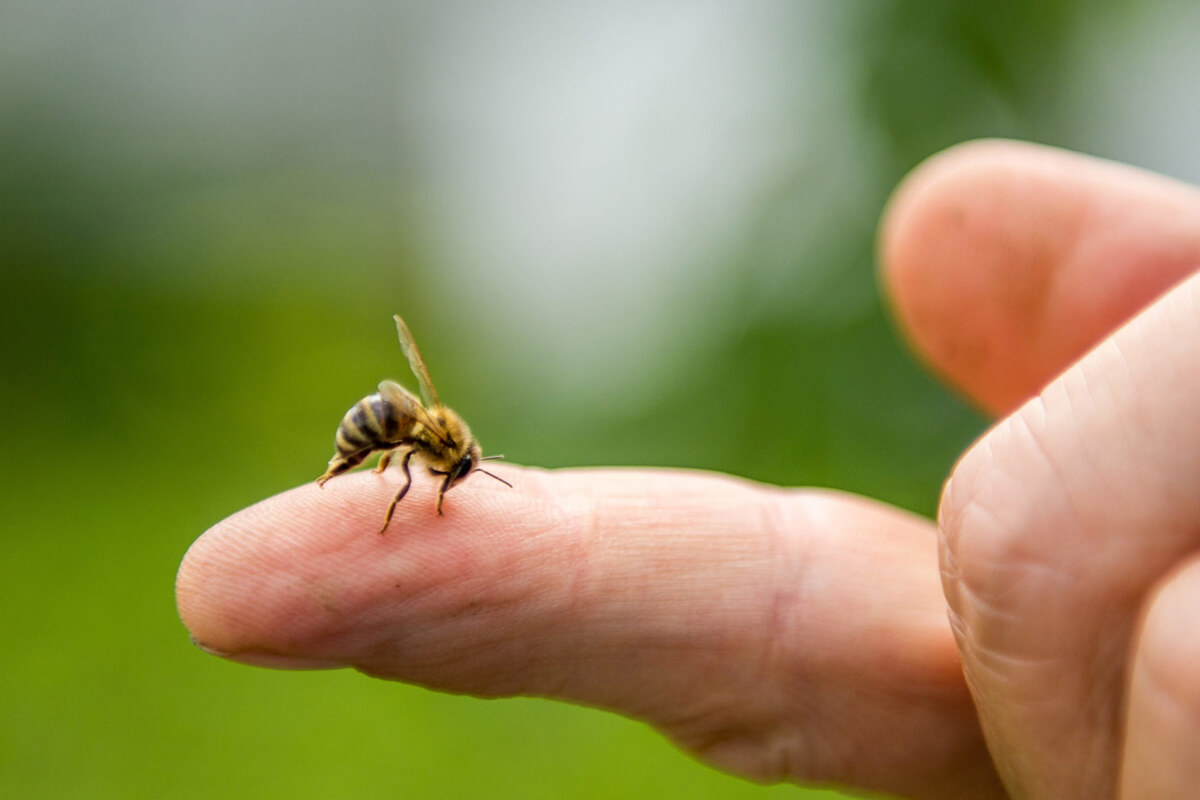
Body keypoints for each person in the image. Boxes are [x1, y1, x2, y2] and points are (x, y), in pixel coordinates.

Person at [175, 139, 1200, 800]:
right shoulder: (420, 445)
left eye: (446, 466)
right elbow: (399, 448)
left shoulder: (435, 440)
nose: (444, 473)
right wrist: (397, 488)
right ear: (439, 450)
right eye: (446, 466)